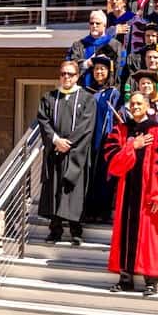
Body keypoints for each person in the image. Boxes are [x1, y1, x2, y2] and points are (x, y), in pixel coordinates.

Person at [104, 88, 158, 297]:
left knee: (150, 238)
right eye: (132, 104)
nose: (135, 107)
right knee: (124, 235)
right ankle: (125, 278)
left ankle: (151, 281)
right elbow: (112, 164)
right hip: (126, 193)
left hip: (150, 194)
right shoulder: (120, 131)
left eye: (139, 103)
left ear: (148, 106)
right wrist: (132, 146)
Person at [37, 60, 95, 246]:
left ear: (77, 76)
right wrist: (56, 140)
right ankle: (55, 230)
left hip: (76, 153)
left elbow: (86, 126)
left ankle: (76, 231)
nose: (66, 77)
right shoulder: (49, 97)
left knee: (73, 191)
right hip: (55, 151)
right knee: (54, 190)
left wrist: (68, 144)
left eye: (70, 74)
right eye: (63, 74)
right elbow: (43, 121)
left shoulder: (87, 98)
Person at [83, 56, 124, 223]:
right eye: (96, 69)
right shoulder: (87, 92)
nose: (99, 72)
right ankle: (87, 211)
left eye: (102, 69)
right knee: (88, 176)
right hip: (88, 140)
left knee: (103, 176)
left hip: (105, 140)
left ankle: (102, 211)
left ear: (109, 72)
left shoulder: (114, 93)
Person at [67, 9, 121, 89]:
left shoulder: (115, 45)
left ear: (104, 25)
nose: (94, 26)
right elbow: (71, 66)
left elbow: (119, 69)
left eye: (97, 23)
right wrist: (87, 63)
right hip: (83, 89)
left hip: (107, 90)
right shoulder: (79, 45)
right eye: (91, 23)